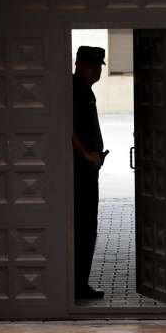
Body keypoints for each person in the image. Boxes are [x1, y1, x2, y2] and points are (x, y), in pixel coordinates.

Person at [72, 45, 109, 300]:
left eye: (99, 66)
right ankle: (77, 285)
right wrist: (86, 153)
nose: (97, 71)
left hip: (88, 170)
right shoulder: (73, 90)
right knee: (83, 227)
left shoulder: (85, 90)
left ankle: (79, 283)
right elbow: (65, 125)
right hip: (79, 171)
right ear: (79, 64)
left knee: (88, 228)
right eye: (93, 65)